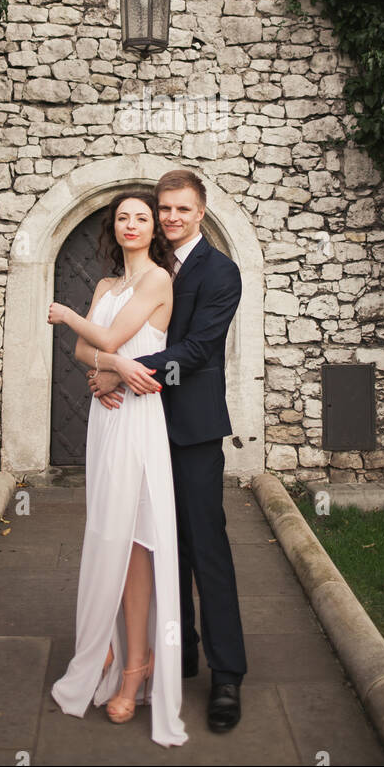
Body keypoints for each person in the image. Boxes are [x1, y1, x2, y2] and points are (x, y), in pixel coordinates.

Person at [87, 169, 247, 733]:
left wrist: (124, 374)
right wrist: (111, 367)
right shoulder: (145, 270)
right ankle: (177, 653)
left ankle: (227, 676)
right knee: (153, 544)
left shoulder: (221, 272)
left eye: (183, 209)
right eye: (165, 209)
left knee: (206, 547)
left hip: (191, 428)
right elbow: (111, 336)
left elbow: (199, 350)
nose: (173, 217)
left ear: (201, 212)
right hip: (136, 424)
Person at [48, 190, 188, 748]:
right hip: (104, 420)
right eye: (124, 217)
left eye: (143, 218)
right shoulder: (106, 285)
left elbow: (99, 337)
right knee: (107, 532)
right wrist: (113, 364)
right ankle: (104, 646)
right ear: (115, 226)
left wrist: (67, 317)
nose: (132, 225)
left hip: (138, 418)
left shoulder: (158, 280)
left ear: (155, 230)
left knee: (138, 540)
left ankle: (136, 665)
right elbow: (89, 355)